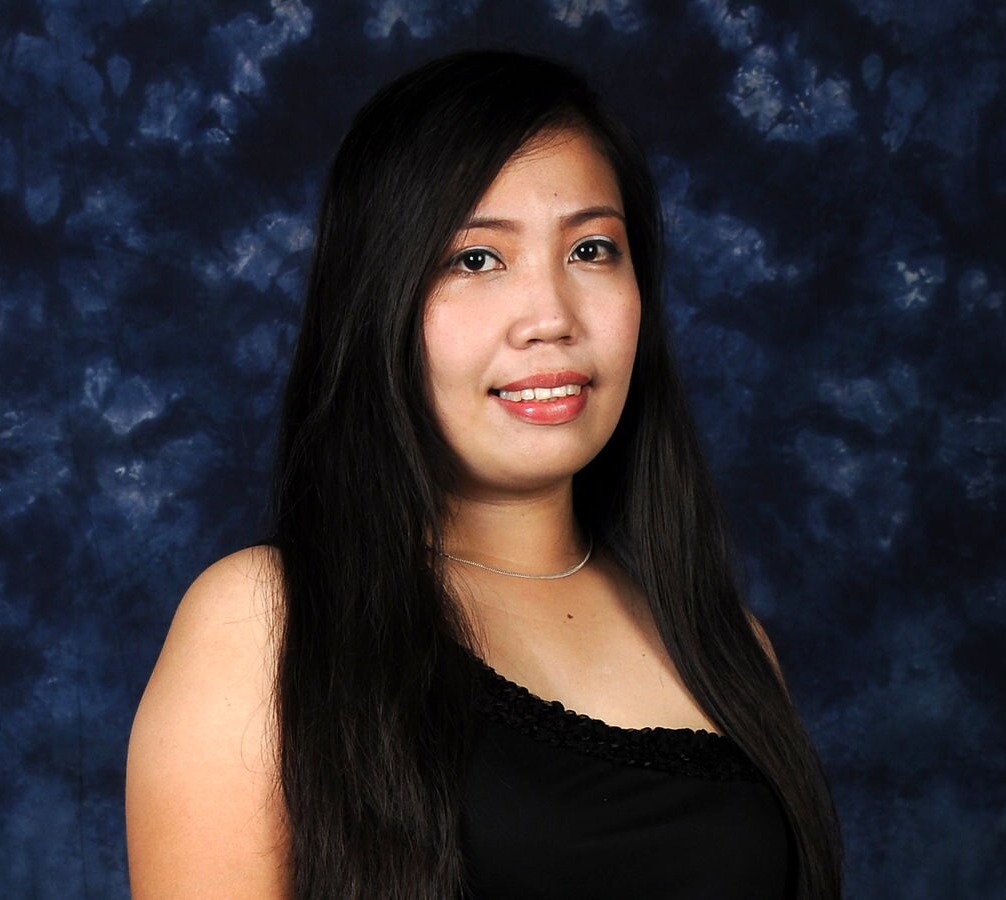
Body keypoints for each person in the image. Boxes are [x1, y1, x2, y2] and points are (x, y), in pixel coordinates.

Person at [125, 50, 843, 899]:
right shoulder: (266, 623)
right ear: (379, 298)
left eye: (591, 249)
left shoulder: (726, 644)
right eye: (475, 260)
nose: (550, 318)